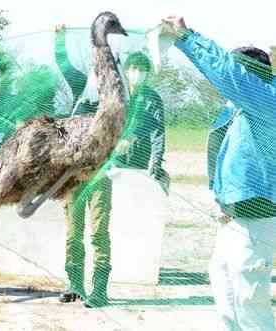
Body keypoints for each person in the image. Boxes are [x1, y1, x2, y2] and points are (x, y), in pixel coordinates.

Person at [163, 16, 276, 331]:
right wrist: (219, 197)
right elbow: (221, 151)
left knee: (248, 298)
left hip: (258, 217)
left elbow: (226, 71)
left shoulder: (268, 99)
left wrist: (187, 36)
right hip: (234, 214)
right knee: (224, 284)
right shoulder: (239, 109)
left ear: (253, 76)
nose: (227, 83)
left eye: (239, 73)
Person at [54, 24, 113, 308]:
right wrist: (59, 38)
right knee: (72, 232)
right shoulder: (82, 87)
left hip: (101, 174)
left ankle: (100, 290)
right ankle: (74, 284)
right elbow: (63, 63)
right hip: (73, 175)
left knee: (99, 233)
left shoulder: (117, 96)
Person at [117, 51, 169, 193]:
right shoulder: (117, 94)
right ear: (126, 70)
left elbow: (158, 132)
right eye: (134, 68)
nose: (138, 73)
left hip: (140, 156)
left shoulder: (152, 98)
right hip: (114, 156)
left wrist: (156, 162)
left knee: (135, 195)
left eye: (142, 69)